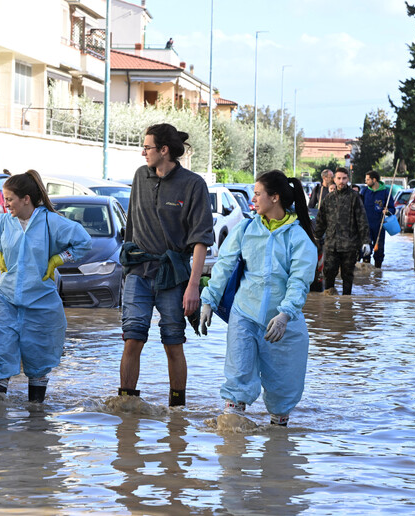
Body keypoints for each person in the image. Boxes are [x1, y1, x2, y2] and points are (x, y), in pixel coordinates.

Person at [199, 170, 318, 426]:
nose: (253, 199)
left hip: (282, 322)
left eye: (257, 193)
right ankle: (231, 457)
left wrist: (285, 314)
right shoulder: (246, 229)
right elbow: (224, 265)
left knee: (282, 391)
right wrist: (208, 299)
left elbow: (299, 282)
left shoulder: (298, 238)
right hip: (244, 314)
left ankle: (277, 452)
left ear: (274, 197)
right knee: (237, 379)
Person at [0, 170, 91, 402]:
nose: (6, 205)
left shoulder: (51, 222)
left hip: (41, 303)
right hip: (6, 300)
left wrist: (59, 258)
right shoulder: (3, 223)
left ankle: (36, 419)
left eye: (10, 199)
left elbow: (84, 242)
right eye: (4, 199)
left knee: (39, 359)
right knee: (2, 355)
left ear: (26, 199)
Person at [118, 123, 214, 407]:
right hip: (138, 271)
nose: (143, 152)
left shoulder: (194, 184)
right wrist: (127, 268)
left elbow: (201, 240)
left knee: (173, 342)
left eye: (147, 147)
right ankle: (126, 405)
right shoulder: (140, 176)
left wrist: (193, 287)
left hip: (173, 276)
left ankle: (177, 410)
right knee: (132, 338)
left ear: (164, 150)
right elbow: (131, 228)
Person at [313, 167, 370, 295]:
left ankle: (346, 305)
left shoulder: (354, 197)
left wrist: (366, 241)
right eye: (339, 178)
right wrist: (316, 238)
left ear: (348, 179)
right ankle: (330, 306)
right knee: (328, 274)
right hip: (331, 245)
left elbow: (362, 220)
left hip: (349, 245)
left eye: (344, 178)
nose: (341, 181)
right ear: (334, 179)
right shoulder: (328, 198)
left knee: (347, 276)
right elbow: (321, 220)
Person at [362, 170, 395, 268]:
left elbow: (392, 208)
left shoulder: (385, 192)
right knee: (365, 250)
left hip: (379, 225)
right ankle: (365, 273)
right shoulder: (364, 191)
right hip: (366, 225)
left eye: (368, 179)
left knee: (379, 250)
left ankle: (377, 272)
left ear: (374, 180)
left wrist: (387, 211)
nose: (366, 181)